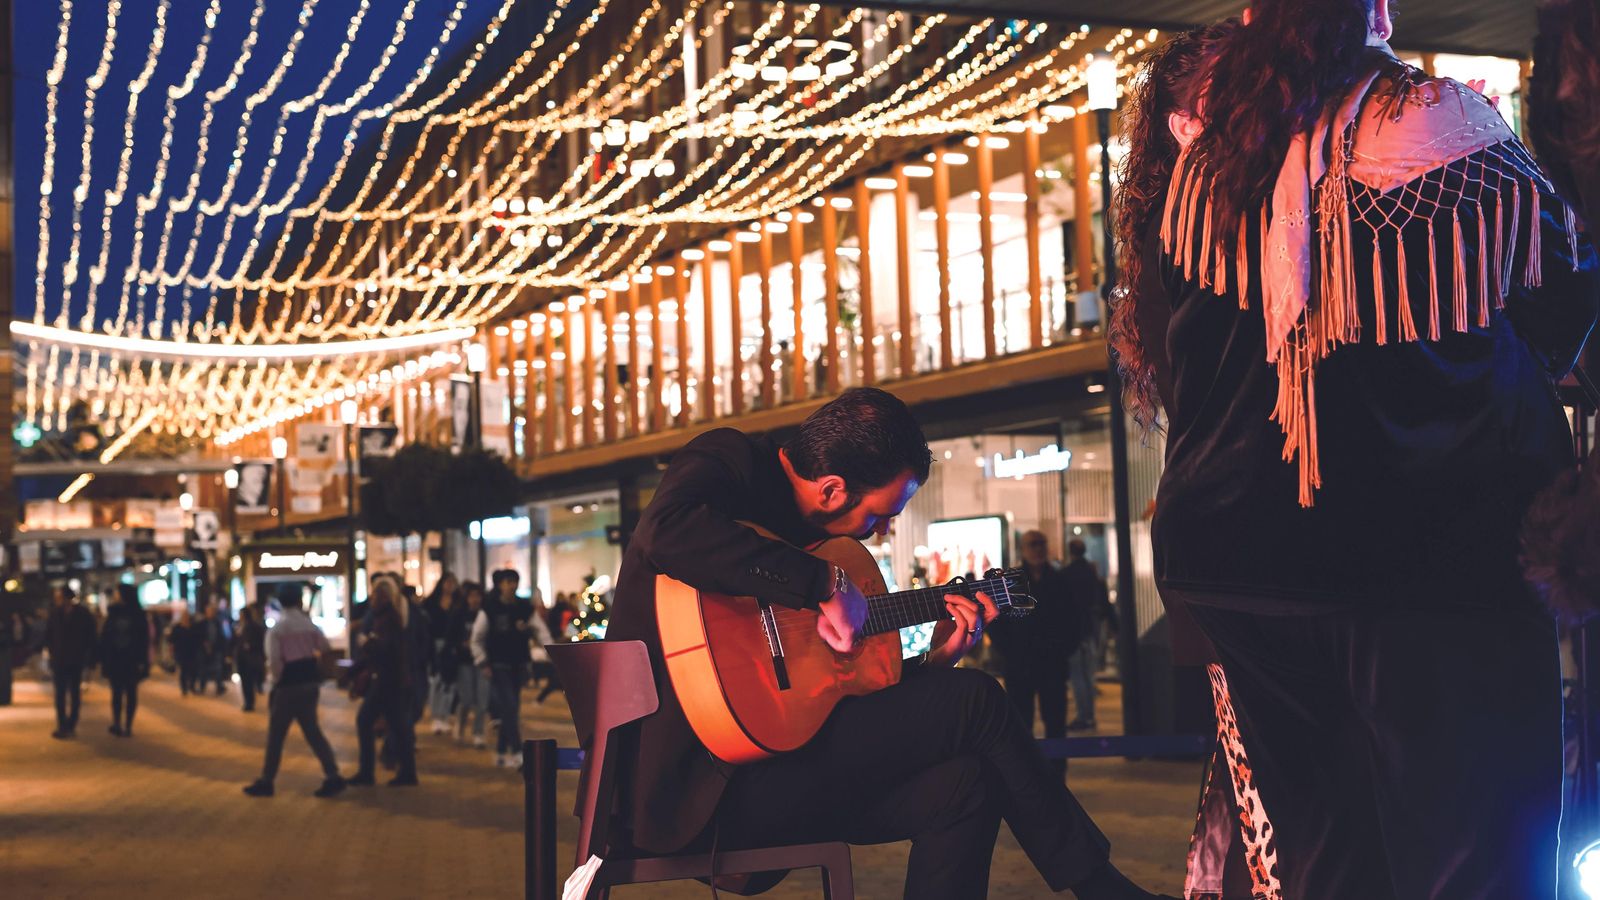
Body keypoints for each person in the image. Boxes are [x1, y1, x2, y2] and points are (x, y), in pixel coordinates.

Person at [1114, 2, 1599, 895]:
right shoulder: (1446, 128)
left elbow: (1172, 356)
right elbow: (1562, 301)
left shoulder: (1204, 158)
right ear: (1376, 8)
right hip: (1428, 559)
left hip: (1233, 560)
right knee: (1481, 858)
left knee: (1326, 859)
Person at [607, 388, 1169, 900]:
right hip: (694, 793)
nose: (880, 532)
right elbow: (664, 532)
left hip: (781, 769)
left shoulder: (829, 550)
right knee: (977, 699)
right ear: (832, 489)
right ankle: (1103, 891)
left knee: (966, 786)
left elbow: (828, 697)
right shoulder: (729, 462)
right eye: (879, 514)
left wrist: (929, 663)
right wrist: (822, 584)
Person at [986, 530, 1081, 781]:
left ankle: (1057, 777)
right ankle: (1026, 778)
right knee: (1020, 725)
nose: (1038, 549)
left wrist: (1062, 650)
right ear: (1023, 548)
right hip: (1021, 665)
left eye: (1041, 543)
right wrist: (1011, 652)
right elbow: (996, 622)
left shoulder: (1059, 581)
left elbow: (1074, 620)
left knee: (1056, 723)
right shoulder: (1012, 582)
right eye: (1033, 544)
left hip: (1052, 664)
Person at [242, 585, 345, 799]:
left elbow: (275, 660)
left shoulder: (278, 629)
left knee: (277, 735)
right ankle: (332, 774)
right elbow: (325, 646)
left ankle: (267, 780)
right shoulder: (309, 625)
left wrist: (277, 680)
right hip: (309, 683)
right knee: (312, 731)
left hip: (288, 685)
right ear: (299, 600)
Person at [348, 576, 418, 787]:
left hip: (386, 680)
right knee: (397, 725)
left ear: (385, 596)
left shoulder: (387, 619)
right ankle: (405, 771)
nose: (372, 598)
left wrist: (368, 643)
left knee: (367, 721)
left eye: (376, 594)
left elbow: (387, 650)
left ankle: (368, 772)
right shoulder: (387, 616)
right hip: (390, 679)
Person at [470, 568, 536, 768]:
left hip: (518, 664)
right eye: (508, 582)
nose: (512, 586)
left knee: (511, 708)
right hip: (498, 665)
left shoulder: (524, 607)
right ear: (500, 585)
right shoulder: (490, 608)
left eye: (514, 581)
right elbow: (477, 638)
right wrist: (482, 661)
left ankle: (500, 751)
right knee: (510, 707)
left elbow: (539, 629)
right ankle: (517, 751)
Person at [1061, 540, 1110, 732]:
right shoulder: (1092, 573)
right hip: (1091, 627)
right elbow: (1102, 601)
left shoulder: (1066, 575)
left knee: (1077, 676)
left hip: (1074, 630)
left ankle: (1084, 716)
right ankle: (1090, 716)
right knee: (1088, 675)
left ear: (1070, 551)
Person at [45, 585, 97, 739]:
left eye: (59, 596)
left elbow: (90, 637)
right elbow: (49, 635)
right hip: (59, 660)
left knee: (75, 694)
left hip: (76, 659)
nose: (57, 599)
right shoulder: (55, 614)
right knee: (60, 695)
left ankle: (71, 724)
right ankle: (62, 726)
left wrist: (90, 659)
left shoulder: (82, 614)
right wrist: (51, 653)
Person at [99, 584, 150, 738]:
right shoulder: (113, 613)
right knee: (116, 693)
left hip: (132, 659)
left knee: (131, 693)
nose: (115, 596)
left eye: (118, 593)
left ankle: (128, 725)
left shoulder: (137, 614)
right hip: (116, 659)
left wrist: (142, 660)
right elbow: (105, 638)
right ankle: (116, 723)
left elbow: (143, 639)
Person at [451, 581, 489, 748]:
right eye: (472, 596)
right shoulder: (459, 615)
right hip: (464, 661)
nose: (475, 599)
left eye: (478, 596)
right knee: (466, 699)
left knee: (482, 699)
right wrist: (461, 644)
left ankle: (478, 732)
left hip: (482, 662)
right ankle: (460, 725)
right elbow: (450, 636)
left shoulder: (486, 615)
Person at [423, 573, 459, 735]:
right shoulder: (430, 603)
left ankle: (444, 715)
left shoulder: (458, 604)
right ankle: (436, 716)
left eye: (453, 583)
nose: (450, 586)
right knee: (437, 681)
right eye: (448, 582)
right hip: (435, 643)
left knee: (450, 682)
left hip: (452, 644)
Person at [234, 601, 267, 712]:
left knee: (248, 681)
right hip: (242, 657)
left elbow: (259, 641)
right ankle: (248, 702)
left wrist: (250, 646)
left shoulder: (253, 626)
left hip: (249, 658)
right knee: (245, 681)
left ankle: (249, 702)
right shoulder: (240, 626)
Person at [197, 600, 229, 697]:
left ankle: (219, 687)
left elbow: (222, 637)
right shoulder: (202, 624)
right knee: (204, 669)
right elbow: (199, 637)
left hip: (216, 650)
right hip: (204, 651)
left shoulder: (218, 623)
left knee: (218, 669)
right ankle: (202, 686)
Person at [168, 607, 202, 696]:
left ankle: (192, 686)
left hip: (192, 653)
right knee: (183, 671)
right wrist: (172, 652)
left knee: (193, 671)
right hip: (181, 653)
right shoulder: (177, 628)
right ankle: (184, 689)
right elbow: (171, 640)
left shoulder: (193, 627)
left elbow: (197, 639)